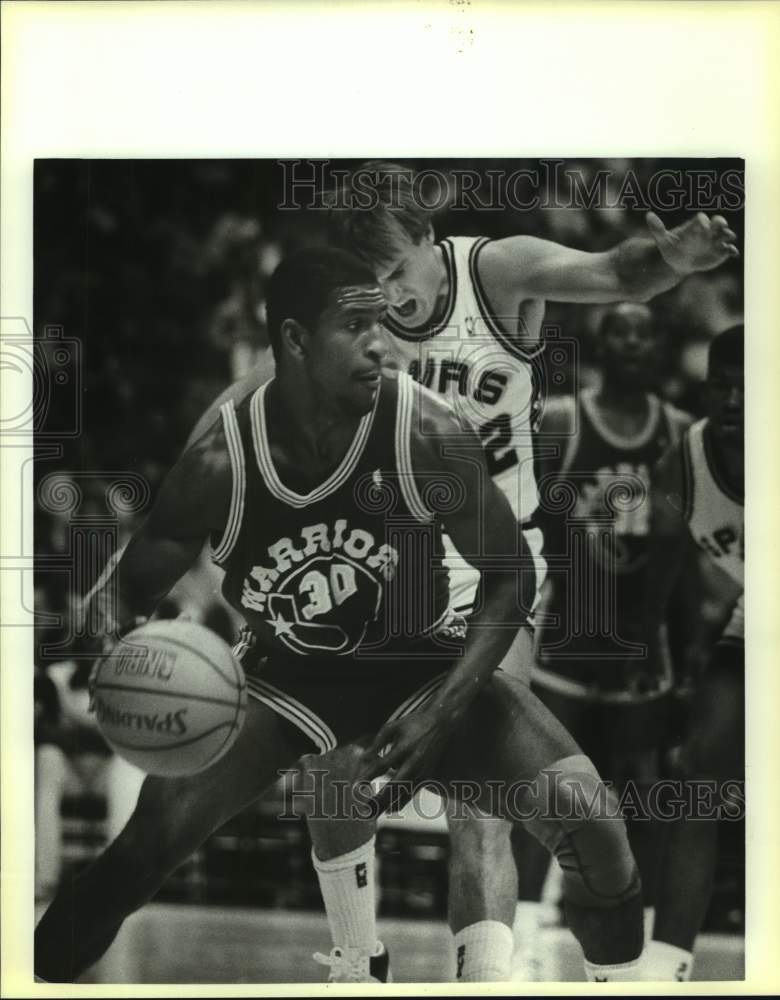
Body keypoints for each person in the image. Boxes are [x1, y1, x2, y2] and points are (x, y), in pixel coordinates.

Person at [35, 247, 646, 985]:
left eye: (382, 324)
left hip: (423, 658)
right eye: (356, 327)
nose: (383, 345)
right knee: (133, 861)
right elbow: (127, 590)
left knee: (595, 827)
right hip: (283, 676)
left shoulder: (426, 432)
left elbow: (509, 580)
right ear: (294, 340)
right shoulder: (220, 459)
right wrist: (112, 655)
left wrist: (444, 711)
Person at [288, 160, 738, 982]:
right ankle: (357, 960)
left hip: (495, 563)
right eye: (368, 283)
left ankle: (482, 980)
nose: (387, 298)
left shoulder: (494, 272)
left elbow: (611, 274)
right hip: (387, 562)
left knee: (479, 805)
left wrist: (672, 258)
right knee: (330, 770)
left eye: (396, 274)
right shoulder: (348, 316)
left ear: (431, 238)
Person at [512, 302, 694, 977]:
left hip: (642, 643)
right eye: (618, 330)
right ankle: (526, 934)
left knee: (644, 798)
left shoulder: (677, 433)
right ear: (601, 342)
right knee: (547, 790)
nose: (631, 342)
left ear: (657, 346)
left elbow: (685, 551)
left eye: (643, 330)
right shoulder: (561, 420)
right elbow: (527, 519)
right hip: (566, 634)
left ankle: (639, 941)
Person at [638, 325, 744, 980]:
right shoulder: (684, 463)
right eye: (721, 386)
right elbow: (660, 576)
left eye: (749, 388)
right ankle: (666, 966)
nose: (733, 400)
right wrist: (657, 660)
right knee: (700, 776)